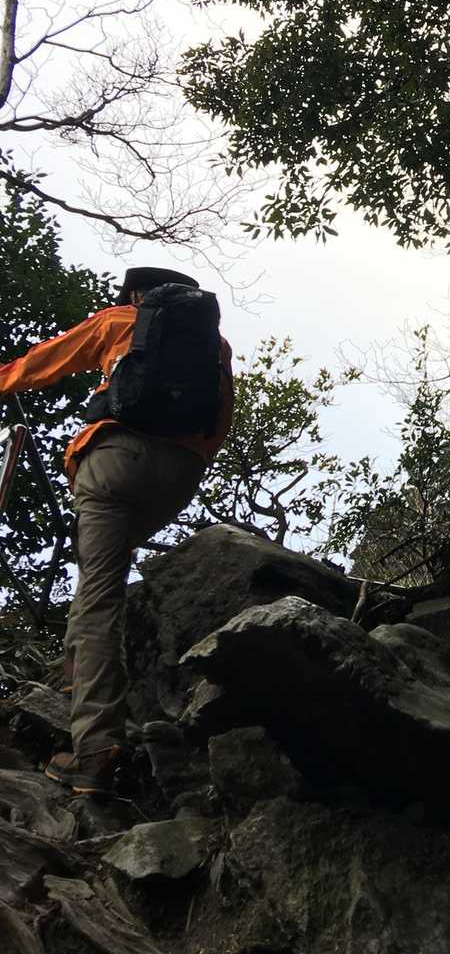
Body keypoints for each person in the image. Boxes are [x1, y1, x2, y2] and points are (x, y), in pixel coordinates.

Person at [0, 267, 233, 794]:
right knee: (105, 574)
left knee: (98, 594)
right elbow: (220, 421)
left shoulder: (118, 320)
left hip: (115, 459)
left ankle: (96, 749)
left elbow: (45, 362)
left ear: (137, 294)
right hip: (179, 475)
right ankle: (78, 680)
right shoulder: (215, 345)